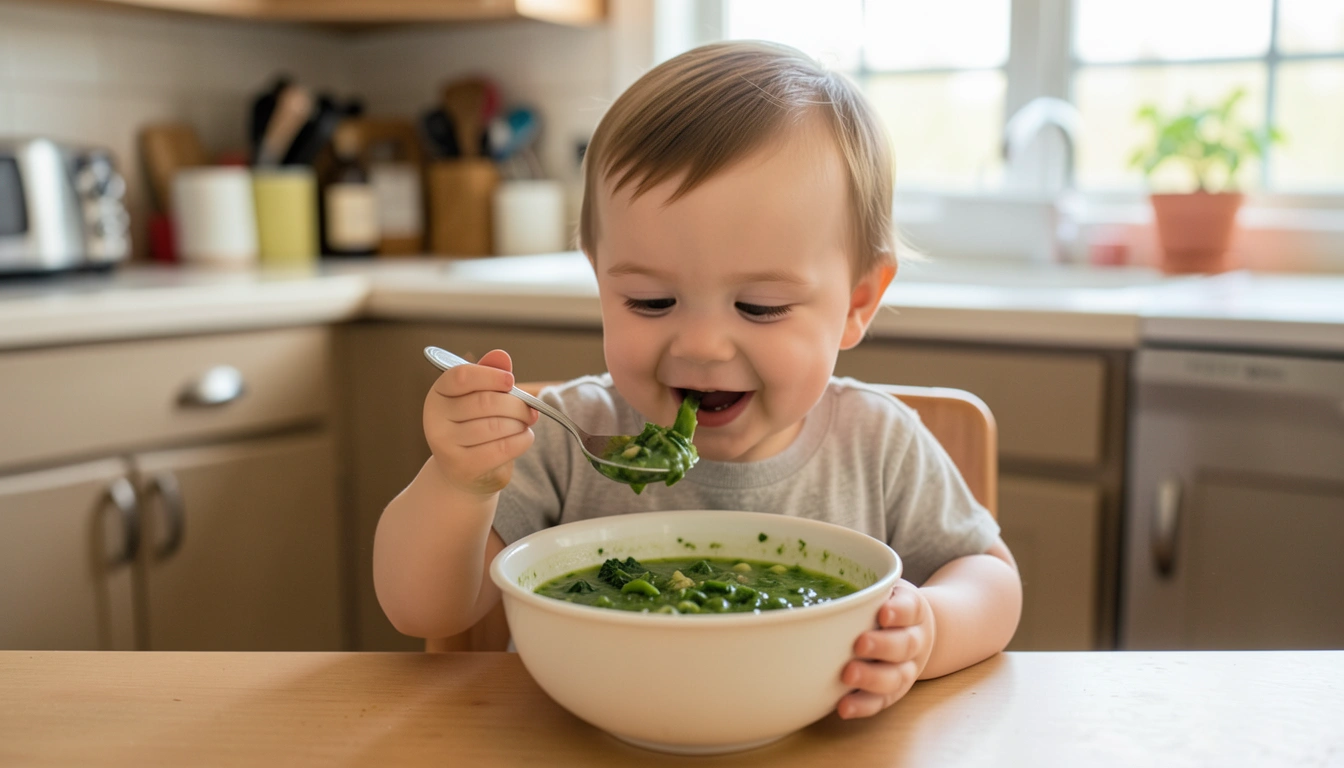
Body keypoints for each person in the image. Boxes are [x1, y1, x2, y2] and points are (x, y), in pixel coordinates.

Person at [374, 40, 1022, 720]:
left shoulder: (879, 444)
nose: (704, 347)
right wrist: (458, 482)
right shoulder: (565, 440)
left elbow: (991, 579)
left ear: (857, 302)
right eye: (651, 303)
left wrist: (931, 631)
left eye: (760, 307)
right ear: (599, 277)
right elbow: (419, 606)